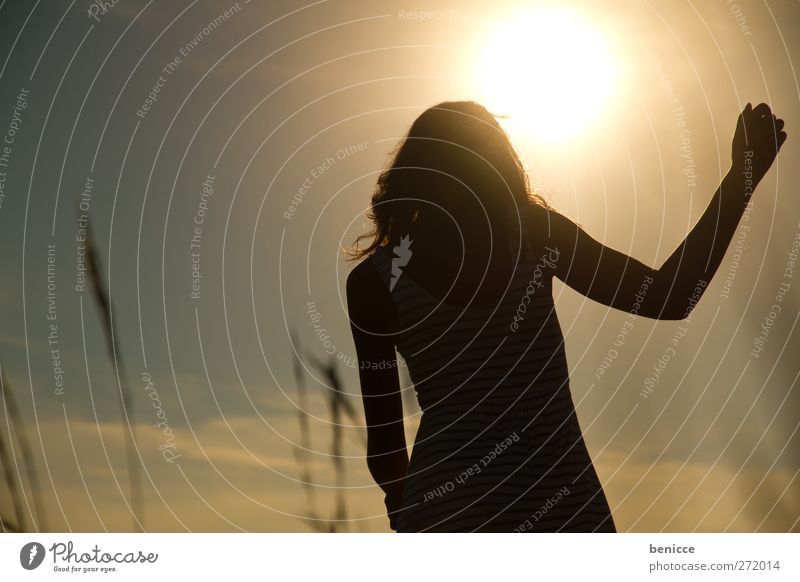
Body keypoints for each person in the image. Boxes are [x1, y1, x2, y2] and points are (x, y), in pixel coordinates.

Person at [345, 100, 785, 532]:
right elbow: (669, 296)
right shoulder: (535, 235)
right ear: (496, 164)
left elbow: (385, 448)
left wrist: (408, 513)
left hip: (446, 512)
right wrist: (742, 177)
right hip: (564, 508)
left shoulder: (374, 283)